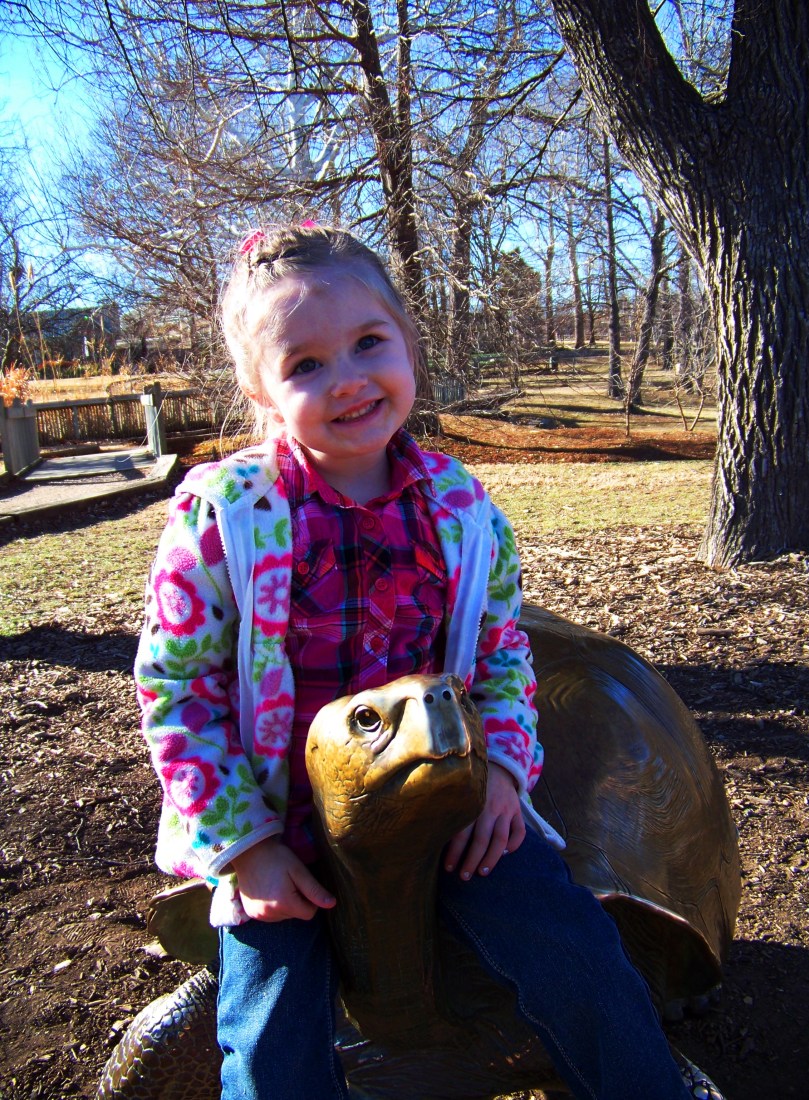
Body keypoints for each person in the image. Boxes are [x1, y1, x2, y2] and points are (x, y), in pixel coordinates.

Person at [135, 223, 691, 1100]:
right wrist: (242, 849)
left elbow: (504, 658)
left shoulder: (463, 509)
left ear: (409, 341)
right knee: (268, 1030)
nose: (348, 379)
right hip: (283, 827)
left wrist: (504, 776)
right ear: (260, 390)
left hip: (449, 810)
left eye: (368, 343)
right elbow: (178, 690)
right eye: (306, 364)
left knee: (578, 951)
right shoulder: (222, 515)